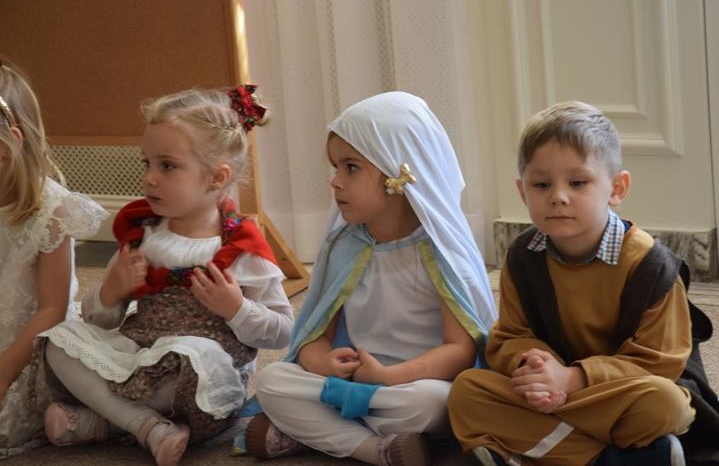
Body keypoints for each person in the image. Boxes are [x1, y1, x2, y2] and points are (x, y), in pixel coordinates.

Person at [447, 101, 719, 465]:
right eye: (541, 184)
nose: (558, 196)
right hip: (559, 389)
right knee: (466, 392)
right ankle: (615, 458)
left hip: (619, 389)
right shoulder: (523, 256)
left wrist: (572, 379)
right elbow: (509, 336)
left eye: (578, 182)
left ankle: (543, 446)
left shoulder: (650, 265)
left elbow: (659, 362)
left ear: (617, 188)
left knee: (666, 406)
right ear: (522, 192)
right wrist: (536, 365)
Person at [37, 85, 294, 466]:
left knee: (195, 353)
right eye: (147, 163)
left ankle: (104, 420)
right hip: (140, 356)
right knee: (59, 341)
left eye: (167, 166)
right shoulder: (143, 236)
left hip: (199, 381)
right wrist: (111, 292)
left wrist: (237, 308)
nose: (150, 178)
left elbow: (284, 331)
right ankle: (142, 425)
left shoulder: (239, 249)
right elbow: (99, 320)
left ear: (216, 177)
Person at [244, 91, 497, 466]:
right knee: (272, 381)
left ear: (399, 175)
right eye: (335, 168)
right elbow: (315, 338)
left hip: (414, 384)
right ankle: (377, 449)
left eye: (351, 167)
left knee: (434, 403)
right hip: (352, 382)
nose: (335, 182)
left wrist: (391, 376)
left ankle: (317, 433)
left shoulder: (440, 251)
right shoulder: (344, 246)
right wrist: (324, 364)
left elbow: (460, 350)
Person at [0, 58, 107, 458]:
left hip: (25, 350)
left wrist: (5, 371)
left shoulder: (52, 212)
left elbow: (51, 308)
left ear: (7, 145)